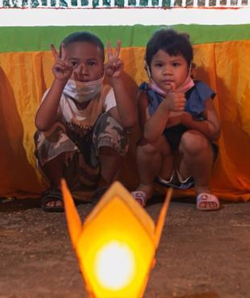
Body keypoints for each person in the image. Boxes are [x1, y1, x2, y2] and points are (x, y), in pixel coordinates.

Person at [34, 31, 136, 212]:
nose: (82, 71)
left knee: (113, 122)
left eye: (91, 63)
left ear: (102, 67)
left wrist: (117, 80)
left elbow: (128, 122)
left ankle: (103, 187)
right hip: (67, 171)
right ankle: (58, 188)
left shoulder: (105, 92)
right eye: (74, 63)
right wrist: (59, 82)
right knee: (47, 131)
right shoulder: (57, 94)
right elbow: (41, 124)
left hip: (98, 170)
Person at [135, 28, 221, 211]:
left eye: (175, 64)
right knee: (147, 144)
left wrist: (185, 119)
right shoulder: (146, 95)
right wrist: (165, 107)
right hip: (162, 165)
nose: (167, 71)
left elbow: (215, 131)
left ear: (190, 68)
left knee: (193, 139)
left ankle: (203, 189)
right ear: (147, 68)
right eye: (159, 65)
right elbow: (149, 134)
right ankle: (145, 186)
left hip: (189, 165)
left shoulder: (199, 91)